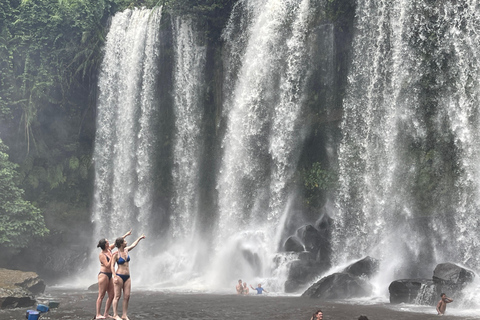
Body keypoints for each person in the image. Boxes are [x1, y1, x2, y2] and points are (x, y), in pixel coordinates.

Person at [95, 230, 131, 319]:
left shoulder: (109, 249)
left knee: (112, 295)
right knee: (101, 295)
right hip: (103, 275)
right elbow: (107, 265)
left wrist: (126, 235)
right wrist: (113, 256)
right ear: (105, 245)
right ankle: (98, 314)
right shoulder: (102, 254)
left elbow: (117, 243)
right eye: (107, 242)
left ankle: (106, 313)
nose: (109, 242)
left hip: (111, 275)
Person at [111, 234, 146, 320]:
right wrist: (114, 276)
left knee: (127, 296)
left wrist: (139, 238)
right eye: (125, 241)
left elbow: (134, 245)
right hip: (119, 276)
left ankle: (124, 315)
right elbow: (112, 266)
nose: (126, 242)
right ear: (121, 244)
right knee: (117, 296)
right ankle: (115, 315)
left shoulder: (126, 250)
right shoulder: (115, 254)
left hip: (127, 276)